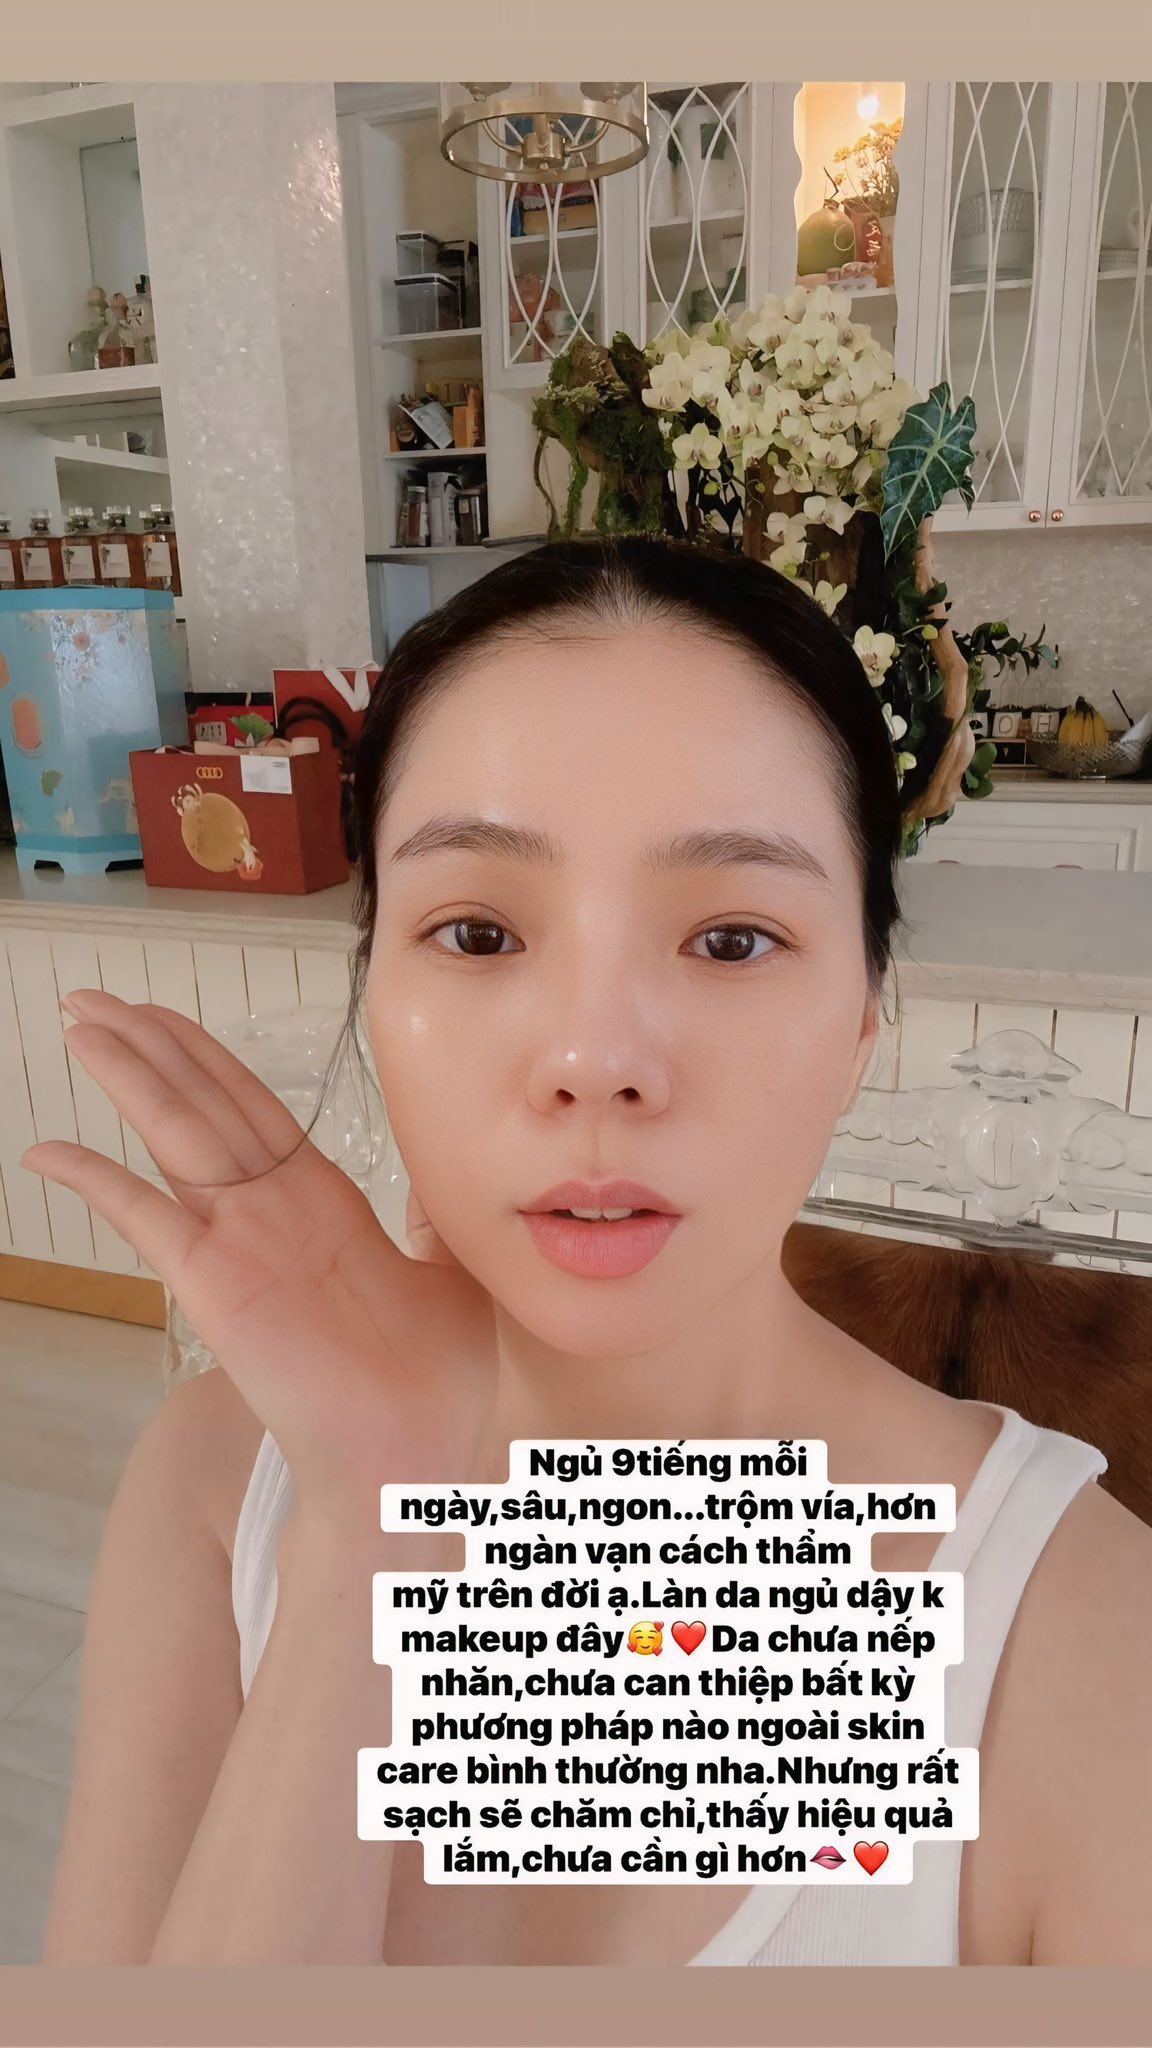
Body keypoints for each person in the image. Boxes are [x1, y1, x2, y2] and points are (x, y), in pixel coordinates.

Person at [25, 537, 1152, 1967]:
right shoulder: (213, 1482)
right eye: (478, 931)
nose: (594, 1058)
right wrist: (369, 1536)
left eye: (732, 940)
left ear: (866, 1017)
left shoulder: (1088, 1640)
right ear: (372, 991)